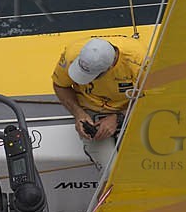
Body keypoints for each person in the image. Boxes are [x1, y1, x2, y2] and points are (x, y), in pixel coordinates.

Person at [51, 35, 146, 172]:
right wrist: (79, 114)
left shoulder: (140, 61)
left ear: (110, 67)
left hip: (133, 108)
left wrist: (118, 118)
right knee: (111, 174)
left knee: (142, 167)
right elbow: (60, 85)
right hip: (91, 110)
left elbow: (153, 97)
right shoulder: (71, 55)